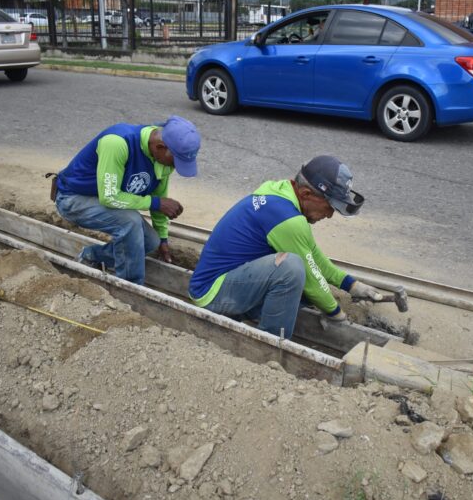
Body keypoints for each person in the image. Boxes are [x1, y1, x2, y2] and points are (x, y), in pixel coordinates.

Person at [188, 155, 382, 339]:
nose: (330, 215)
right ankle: (270, 343)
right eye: (329, 207)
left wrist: (351, 285)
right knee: (292, 269)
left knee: (303, 284)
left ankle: (250, 316)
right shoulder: (288, 220)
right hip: (211, 294)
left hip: (231, 283)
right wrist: (336, 314)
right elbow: (313, 283)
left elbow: (312, 256)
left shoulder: (282, 194)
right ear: (306, 194)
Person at [53, 116, 200, 286]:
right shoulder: (117, 143)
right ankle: (130, 287)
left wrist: (163, 239)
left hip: (105, 201)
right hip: (73, 199)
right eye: (175, 162)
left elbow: (160, 201)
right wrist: (155, 203)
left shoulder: (164, 160)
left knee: (150, 241)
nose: (174, 168)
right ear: (160, 147)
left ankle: (91, 256)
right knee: (129, 222)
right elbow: (110, 197)